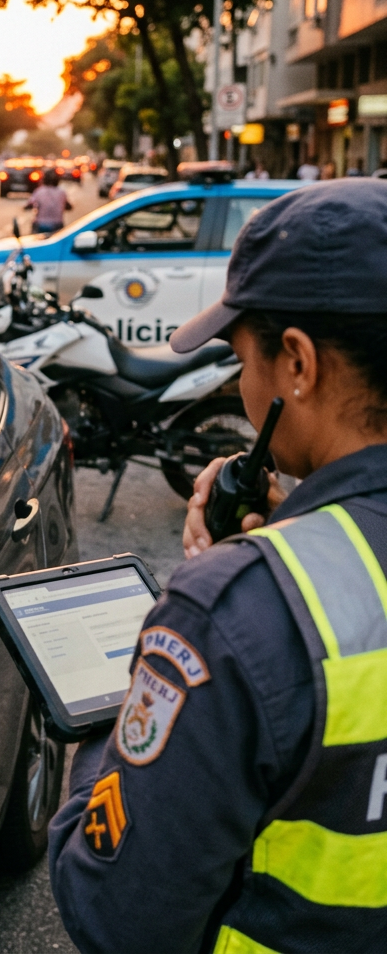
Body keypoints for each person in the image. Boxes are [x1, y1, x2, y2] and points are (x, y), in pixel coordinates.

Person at [48, 179, 387, 952]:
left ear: (296, 363)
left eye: (242, 358)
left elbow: (117, 917)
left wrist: (115, 714)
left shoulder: (236, 611)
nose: (241, 384)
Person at [25, 168, 72, 234]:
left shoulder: (39, 191)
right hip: (57, 224)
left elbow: (30, 204)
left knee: (35, 239)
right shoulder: (61, 192)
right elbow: (68, 206)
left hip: (41, 224)